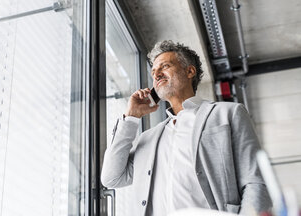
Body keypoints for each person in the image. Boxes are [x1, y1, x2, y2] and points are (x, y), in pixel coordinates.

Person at [101, 40, 272, 215]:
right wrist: (131, 117)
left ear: (190, 71)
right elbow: (112, 178)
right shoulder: (148, 138)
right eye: (153, 72)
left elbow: (255, 182)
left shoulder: (227, 114)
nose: (157, 75)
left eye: (164, 66)